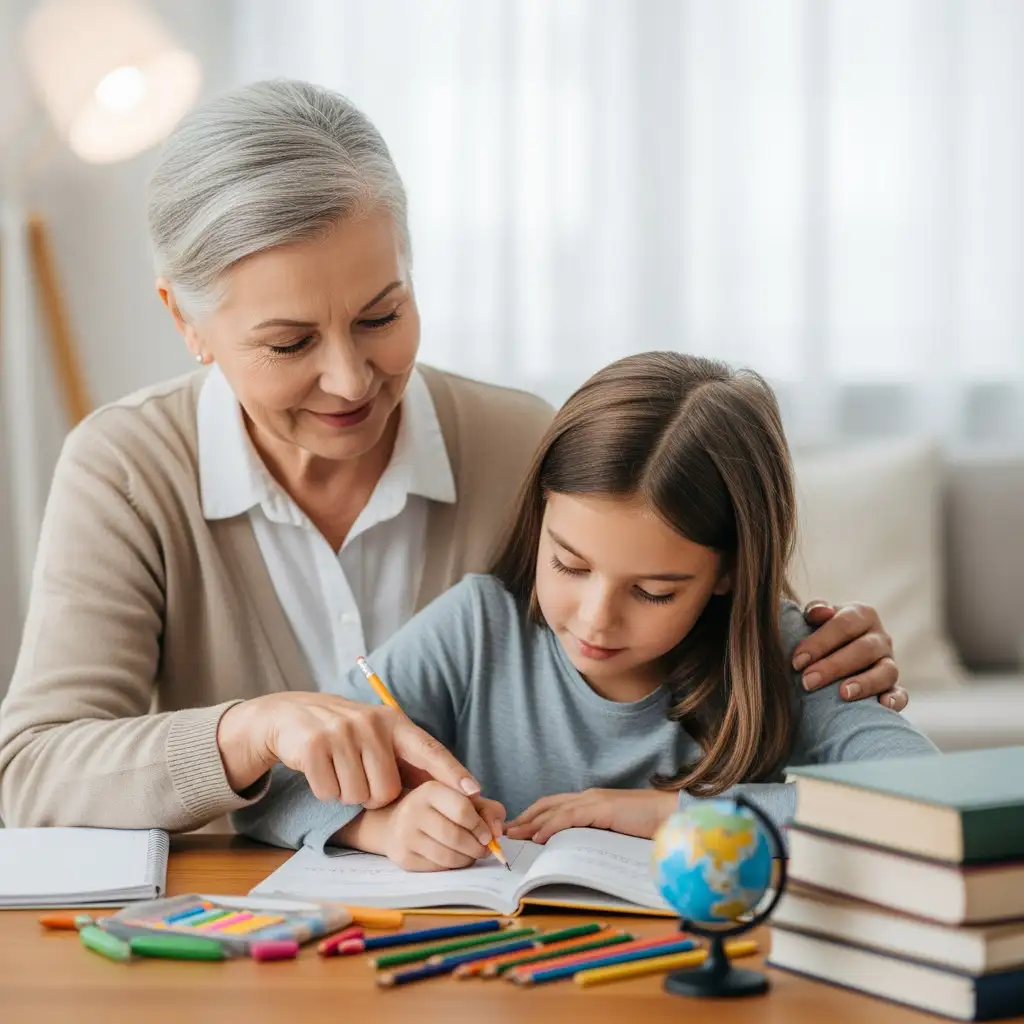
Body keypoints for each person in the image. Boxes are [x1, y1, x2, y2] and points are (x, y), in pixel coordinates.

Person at [0, 81, 903, 832]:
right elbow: (30, 774)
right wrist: (254, 730)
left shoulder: (522, 446)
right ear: (185, 321)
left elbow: (695, 580)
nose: (349, 380)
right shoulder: (127, 469)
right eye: (289, 343)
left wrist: (820, 645)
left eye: (382, 316)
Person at [233, 352, 937, 868]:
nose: (596, 619)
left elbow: (930, 802)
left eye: (654, 591)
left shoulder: (792, 654)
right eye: (569, 565)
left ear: (728, 571)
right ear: (541, 516)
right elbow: (277, 789)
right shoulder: (477, 629)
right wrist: (383, 828)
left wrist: (674, 815)